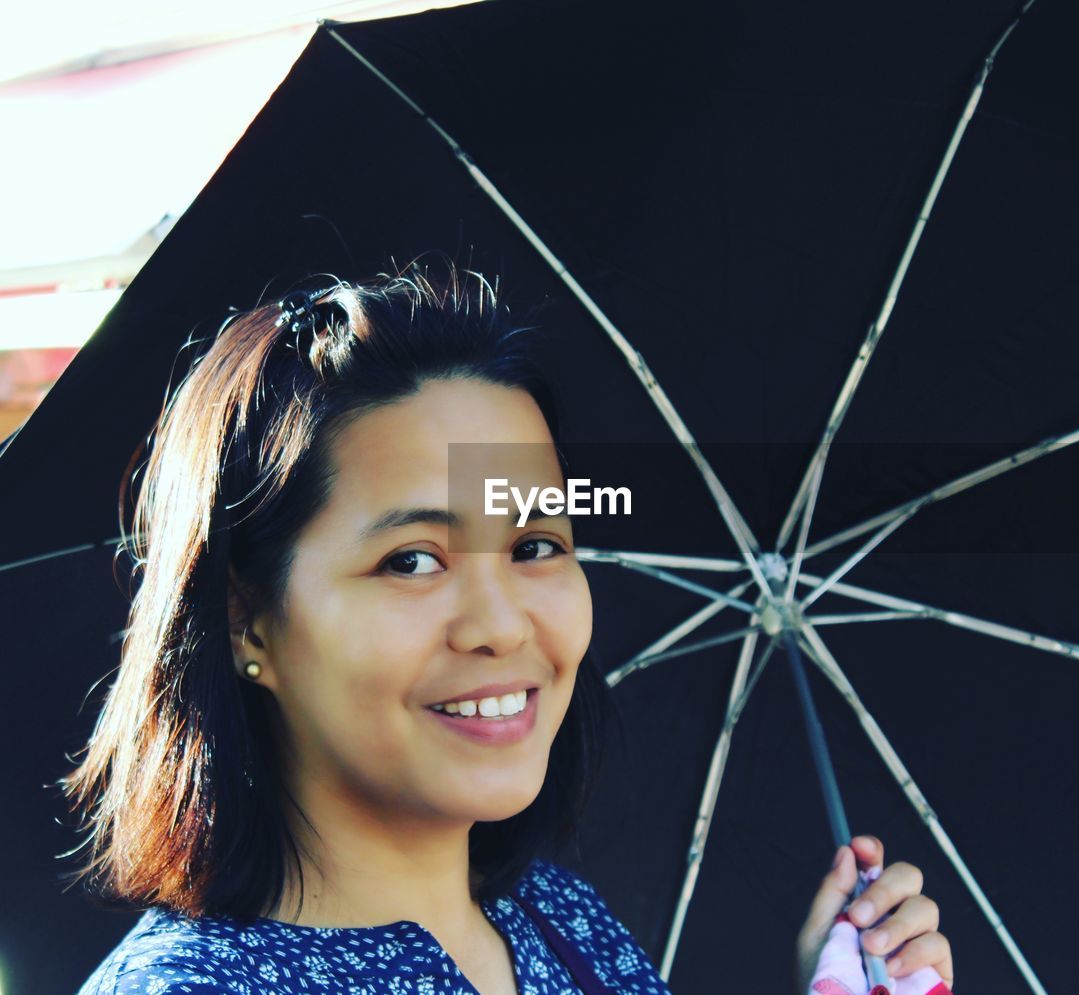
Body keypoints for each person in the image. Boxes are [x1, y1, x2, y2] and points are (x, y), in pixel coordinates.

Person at [60, 257, 955, 994]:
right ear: (246, 622)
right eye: (412, 559)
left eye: (535, 544)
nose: (499, 624)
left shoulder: (564, 923)